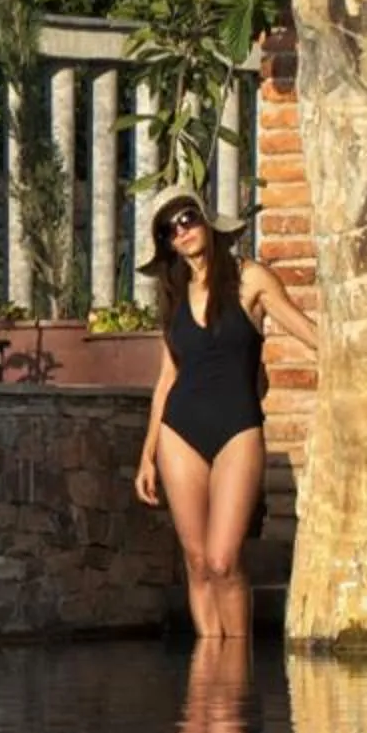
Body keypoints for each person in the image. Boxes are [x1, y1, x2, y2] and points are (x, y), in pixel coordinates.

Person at [131, 191, 321, 639]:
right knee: (197, 564)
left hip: (238, 427)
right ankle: (209, 679)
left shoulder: (249, 278)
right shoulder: (175, 295)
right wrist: (147, 454)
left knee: (224, 560)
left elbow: (304, 330)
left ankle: (235, 672)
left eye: (188, 217)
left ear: (207, 221)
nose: (182, 229)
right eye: (169, 228)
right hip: (180, 431)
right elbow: (166, 379)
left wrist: (352, 360)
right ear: (166, 243)